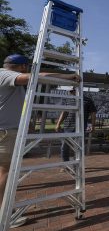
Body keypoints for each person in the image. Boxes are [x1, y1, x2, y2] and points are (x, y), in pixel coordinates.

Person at [0, 54, 81, 228]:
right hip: (5, 133)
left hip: (7, 130)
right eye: (27, 67)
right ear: (21, 67)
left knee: (4, 171)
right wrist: (69, 77)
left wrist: (27, 122)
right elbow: (37, 77)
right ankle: (4, 214)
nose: (28, 70)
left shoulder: (8, 80)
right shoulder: (7, 75)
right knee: (5, 171)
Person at [55, 90, 96, 162]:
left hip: (80, 127)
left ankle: (77, 165)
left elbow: (93, 114)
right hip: (68, 127)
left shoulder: (88, 100)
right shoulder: (68, 100)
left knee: (79, 147)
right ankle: (65, 164)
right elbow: (64, 112)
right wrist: (58, 124)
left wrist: (93, 126)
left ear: (77, 90)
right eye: (70, 91)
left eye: (71, 91)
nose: (70, 92)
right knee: (65, 146)